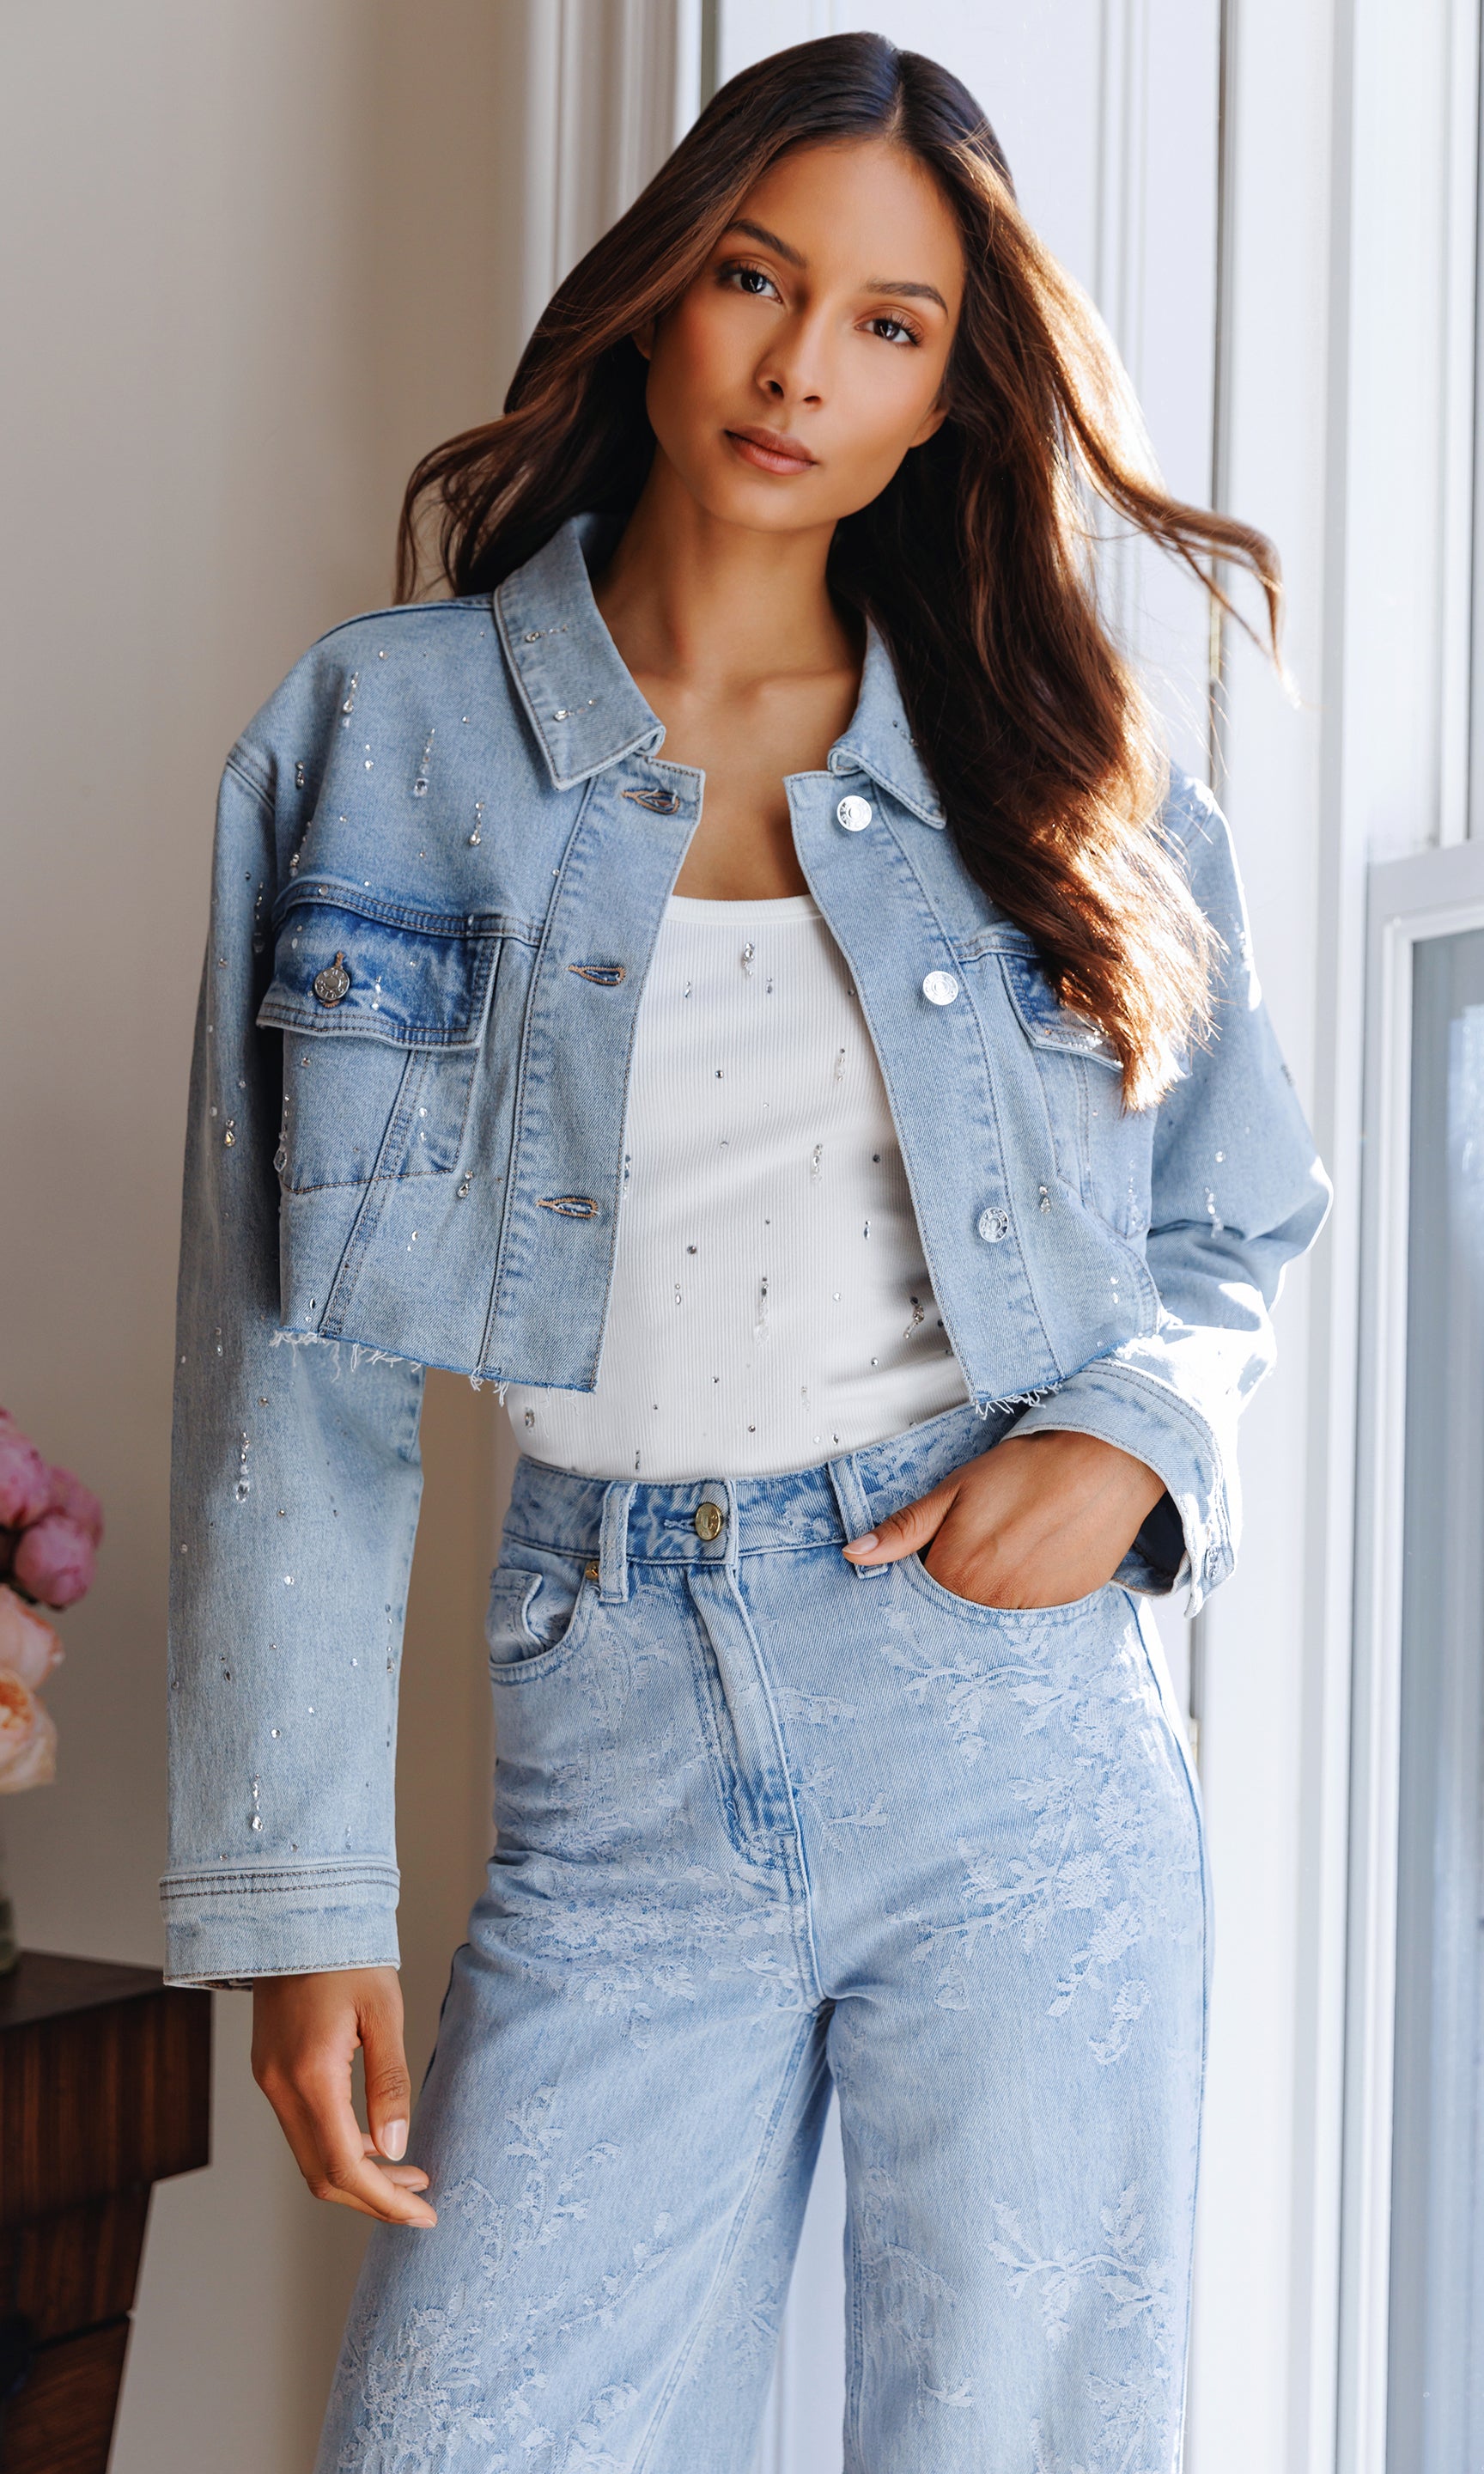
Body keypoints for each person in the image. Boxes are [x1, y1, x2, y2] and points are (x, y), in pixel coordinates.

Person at [164, 32, 1329, 2471]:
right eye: (757, 280)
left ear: (946, 398)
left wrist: (1124, 1441)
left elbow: (1236, 1208)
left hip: (1012, 1737)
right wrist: (298, 1895)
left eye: (893, 326)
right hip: (609, 1738)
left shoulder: (1058, 752)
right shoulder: (381, 739)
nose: (805, 367)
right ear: (654, 299)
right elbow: (291, 1366)